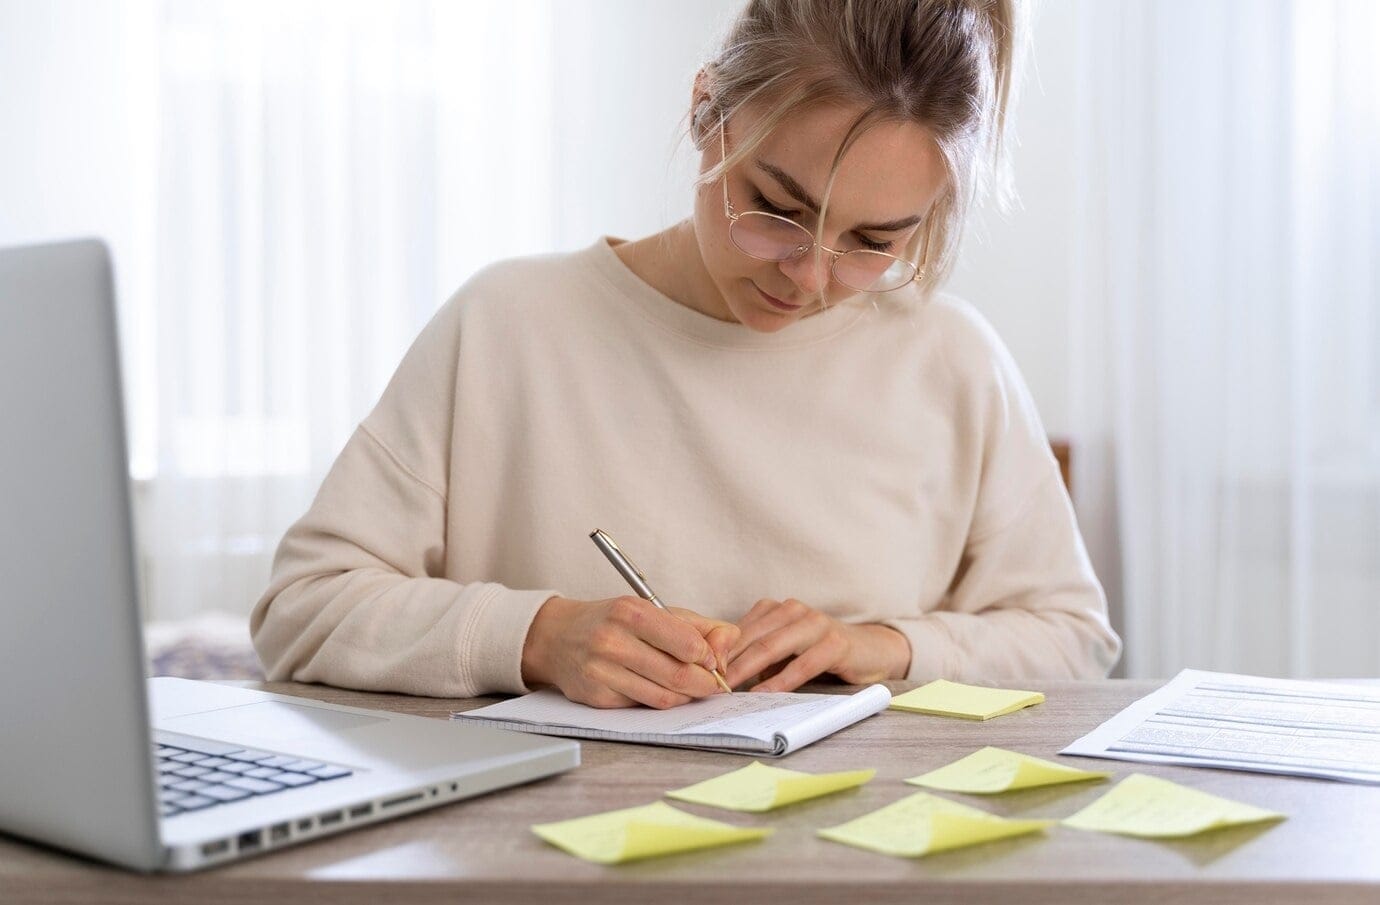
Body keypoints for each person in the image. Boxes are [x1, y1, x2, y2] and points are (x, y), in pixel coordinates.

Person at [250, 0, 1121, 709]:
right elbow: (302, 607)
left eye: (872, 241)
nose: (812, 276)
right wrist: (540, 637)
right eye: (776, 207)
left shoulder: (953, 362)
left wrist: (888, 647)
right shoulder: (507, 324)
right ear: (705, 108)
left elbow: (1073, 639)